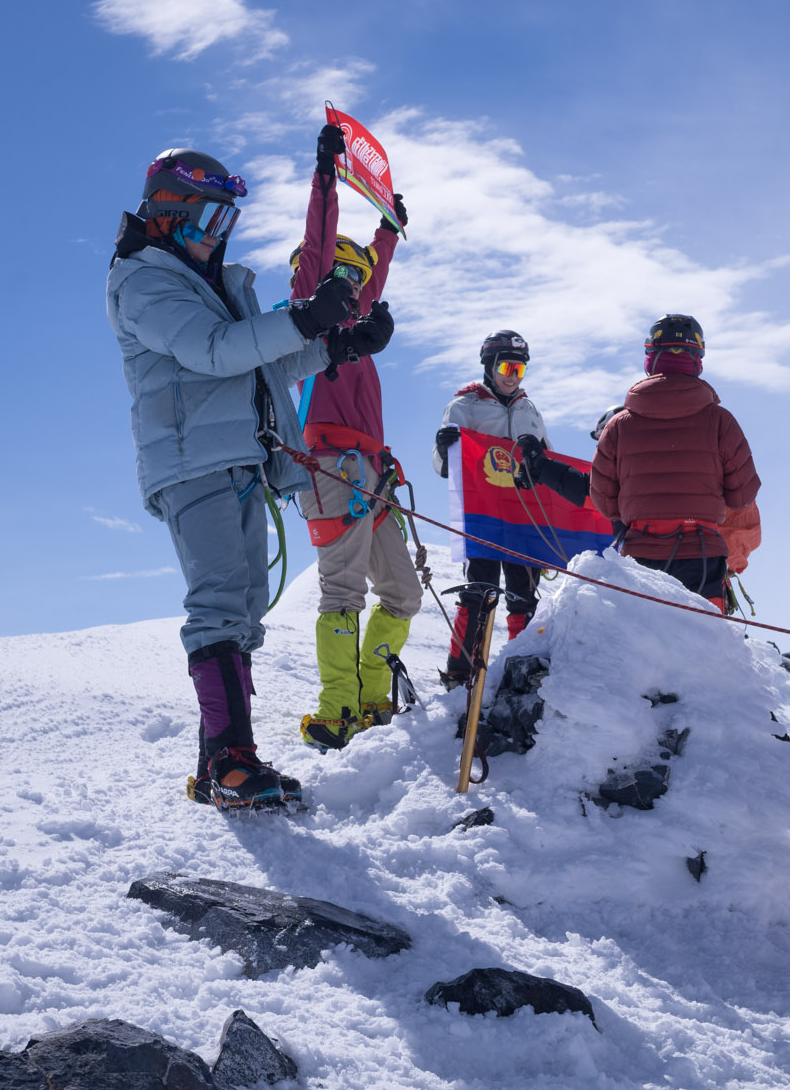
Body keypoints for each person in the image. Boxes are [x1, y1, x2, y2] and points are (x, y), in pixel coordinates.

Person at [105, 145, 364, 808]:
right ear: (168, 212)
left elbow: (263, 367)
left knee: (242, 606)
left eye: (226, 226)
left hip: (241, 458)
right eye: (208, 221)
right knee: (220, 601)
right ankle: (231, 764)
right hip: (194, 462)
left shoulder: (211, 284)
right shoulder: (144, 281)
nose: (216, 238)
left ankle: (216, 765)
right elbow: (216, 352)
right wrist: (305, 317)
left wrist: (339, 343)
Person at [290, 125, 411, 750]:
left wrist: (388, 228)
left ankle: (369, 698)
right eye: (349, 273)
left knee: (403, 594)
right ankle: (337, 710)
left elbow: (379, 275)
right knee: (342, 593)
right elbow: (316, 240)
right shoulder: (310, 316)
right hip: (329, 468)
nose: (358, 285)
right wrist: (326, 176)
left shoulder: (359, 330)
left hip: (371, 476)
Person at [433, 331, 594, 685]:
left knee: (523, 592)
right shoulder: (465, 405)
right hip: (486, 514)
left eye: (520, 370)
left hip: (524, 515)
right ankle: (462, 668)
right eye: (506, 367)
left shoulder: (528, 409)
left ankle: (520, 663)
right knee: (480, 586)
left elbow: (547, 457)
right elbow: (446, 467)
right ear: (489, 366)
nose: (512, 376)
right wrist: (445, 449)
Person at [586, 313, 759, 610]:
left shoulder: (618, 426)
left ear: (651, 359)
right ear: (698, 359)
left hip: (641, 552)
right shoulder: (721, 421)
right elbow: (742, 495)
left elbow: (604, 501)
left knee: (645, 642)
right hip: (702, 554)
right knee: (703, 643)